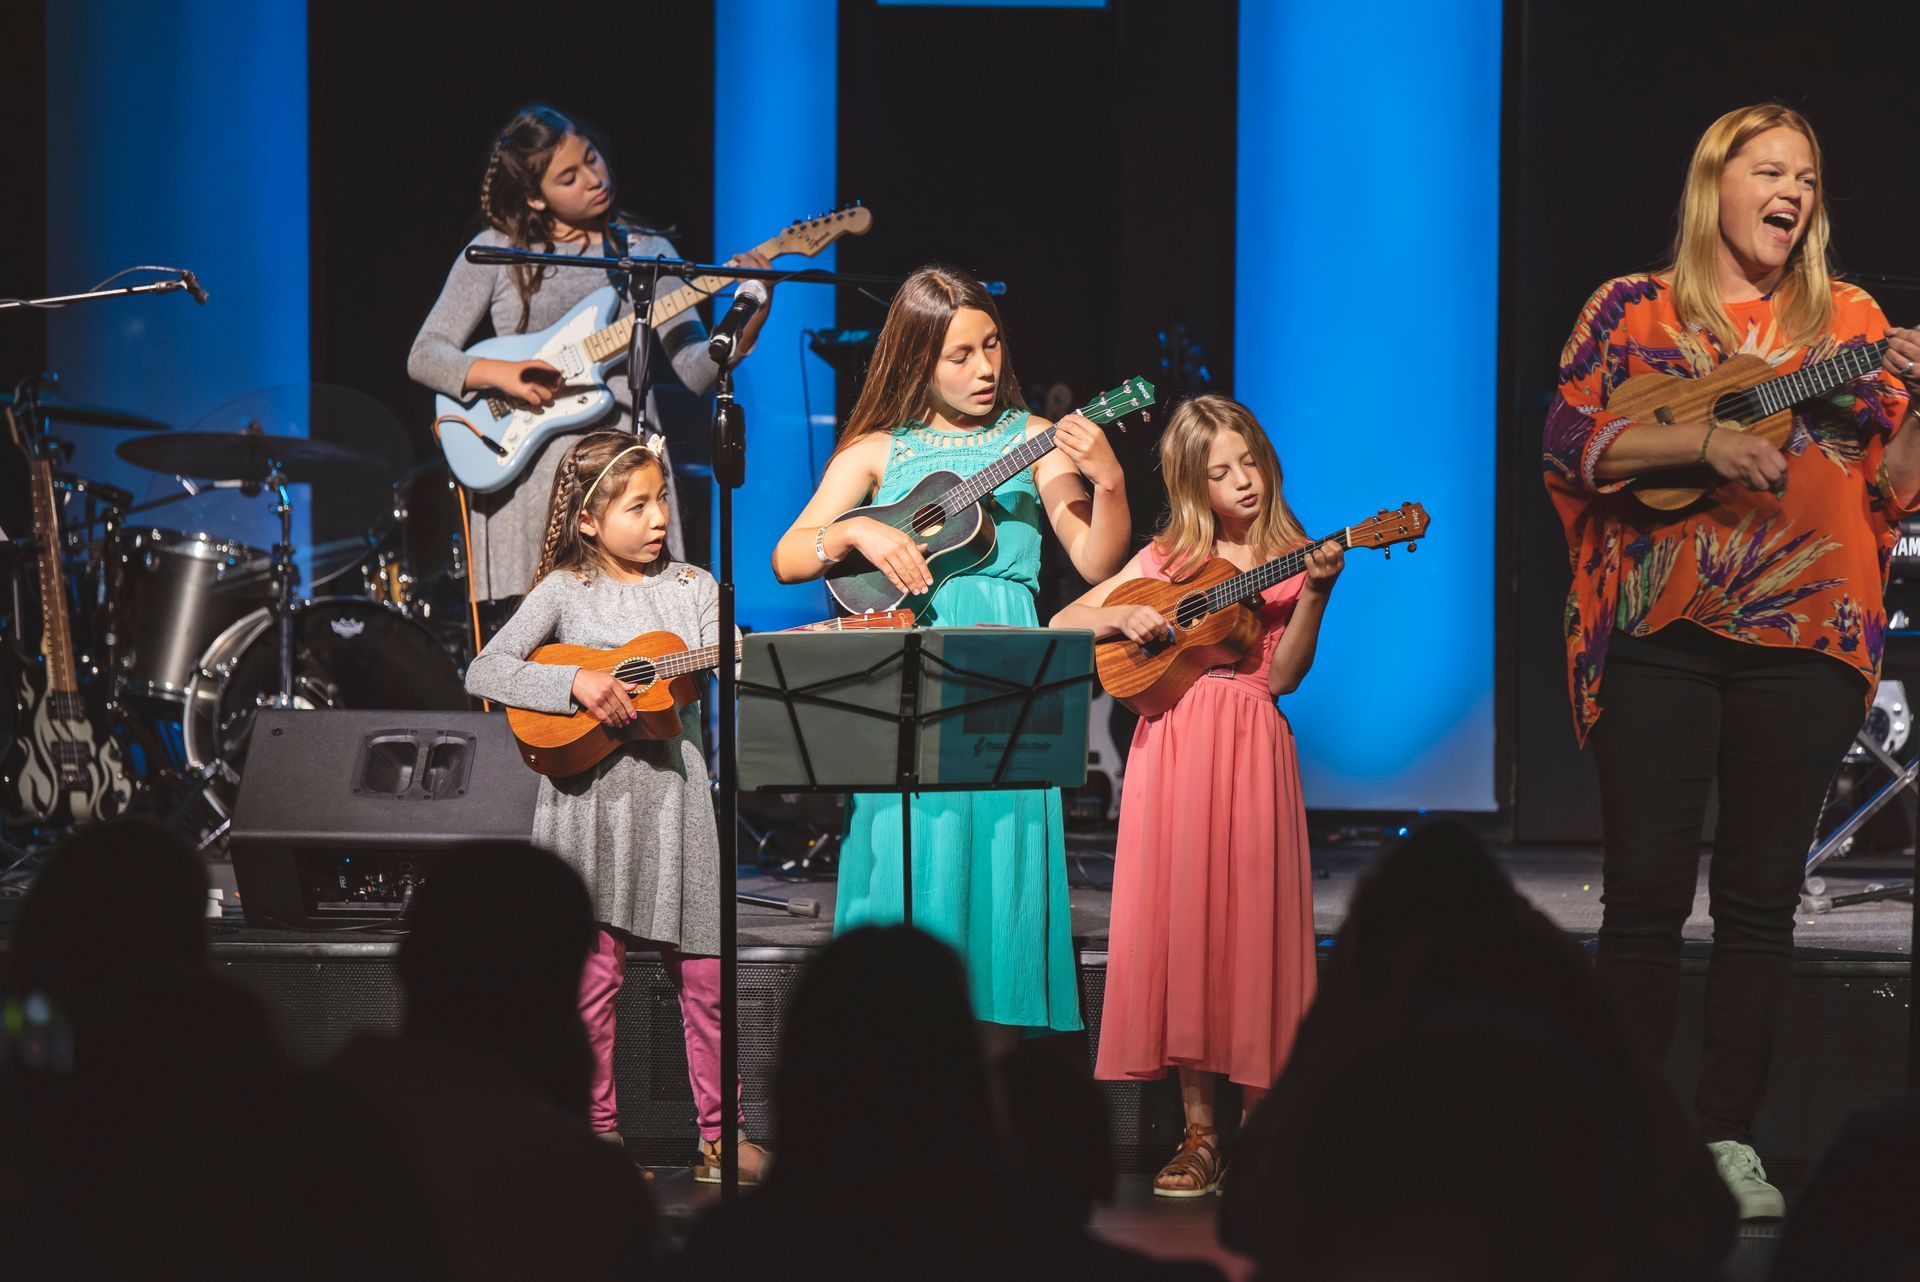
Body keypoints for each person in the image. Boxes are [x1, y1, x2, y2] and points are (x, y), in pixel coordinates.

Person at [1542, 101, 1920, 1218]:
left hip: (1805, 640)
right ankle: (1624, 1133)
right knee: (1646, 895)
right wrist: (1704, 439)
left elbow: (1896, 484)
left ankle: (1725, 1136)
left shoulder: (1851, 322)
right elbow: (1572, 439)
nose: (1793, 191)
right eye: (1771, 169)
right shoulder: (1631, 309)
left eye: (1806, 174)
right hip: (1660, 631)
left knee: (1762, 899)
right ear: (1718, 183)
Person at [769, 265, 1131, 1037]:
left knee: (1001, 865)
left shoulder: (1033, 440)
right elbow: (789, 556)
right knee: (909, 859)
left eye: (992, 345)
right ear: (917, 360)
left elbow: (1098, 560)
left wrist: (1110, 483)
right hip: (908, 676)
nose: (985, 368)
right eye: (959, 355)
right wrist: (858, 528)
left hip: (1005, 671)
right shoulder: (878, 451)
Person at [1050, 395, 1338, 1195]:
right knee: (1187, 936)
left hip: (1250, 746)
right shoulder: (1168, 561)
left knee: (1252, 931)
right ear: (1190, 482)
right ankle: (1201, 1135)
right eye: (1220, 471)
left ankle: (1270, 1132)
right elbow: (1064, 620)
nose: (1242, 480)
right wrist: (1129, 614)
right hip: (1173, 748)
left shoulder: (1293, 554)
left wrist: (1316, 593)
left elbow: (1280, 675)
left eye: (1249, 461)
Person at [464, 430, 764, 1182]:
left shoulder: (694, 587)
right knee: (594, 980)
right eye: (638, 504)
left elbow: (719, 651)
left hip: (675, 802)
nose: (659, 515)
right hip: (588, 805)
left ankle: (719, 1137)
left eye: (662, 497)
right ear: (590, 521)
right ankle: (595, 1135)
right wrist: (574, 685)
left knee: (704, 977)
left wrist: (734, 649)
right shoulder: (566, 591)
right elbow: (486, 667)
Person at [409, 102, 773, 604]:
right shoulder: (495, 251)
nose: (593, 178)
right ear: (535, 199)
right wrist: (503, 374)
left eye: (592, 158)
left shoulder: (647, 251)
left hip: (625, 476)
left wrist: (749, 318)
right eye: (569, 176)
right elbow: (425, 354)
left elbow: (693, 370)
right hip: (527, 478)